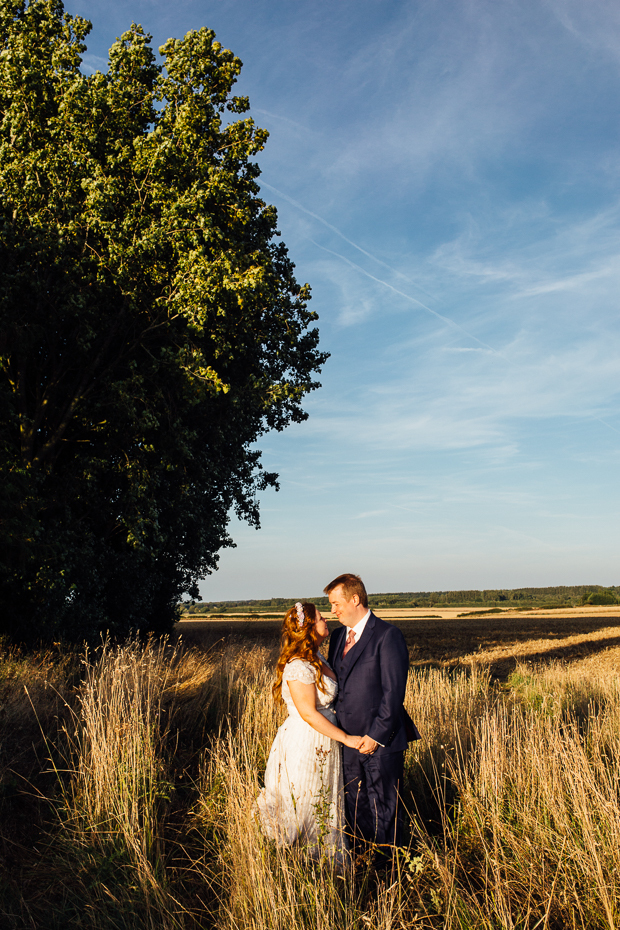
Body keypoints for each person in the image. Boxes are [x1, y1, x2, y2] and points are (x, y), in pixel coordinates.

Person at [257, 600, 362, 856]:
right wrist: (347, 739)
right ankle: (301, 860)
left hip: (325, 738)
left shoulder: (316, 657)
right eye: (322, 618)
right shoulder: (297, 666)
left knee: (324, 798)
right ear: (310, 628)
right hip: (306, 741)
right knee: (306, 798)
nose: (328, 621)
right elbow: (308, 713)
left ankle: (325, 860)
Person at [325, 573, 420, 854]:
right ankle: (364, 867)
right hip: (348, 742)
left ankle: (389, 873)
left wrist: (375, 736)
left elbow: (393, 694)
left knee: (385, 810)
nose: (333, 610)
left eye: (335, 603)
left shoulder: (388, 635)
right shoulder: (338, 636)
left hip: (381, 743)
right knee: (355, 808)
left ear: (355, 599)